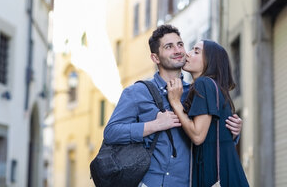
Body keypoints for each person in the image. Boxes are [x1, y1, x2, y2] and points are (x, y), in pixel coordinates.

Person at [103, 25, 243, 187]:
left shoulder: (196, 92)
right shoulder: (137, 92)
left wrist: (232, 132)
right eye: (169, 47)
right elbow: (111, 133)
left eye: (180, 44)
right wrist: (153, 125)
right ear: (155, 58)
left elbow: (207, 138)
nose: (178, 50)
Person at [167, 40, 249, 187]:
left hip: (214, 175)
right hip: (227, 171)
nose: (188, 54)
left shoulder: (203, 84)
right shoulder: (217, 88)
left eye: (196, 51)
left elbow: (198, 136)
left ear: (210, 61)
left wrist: (175, 103)